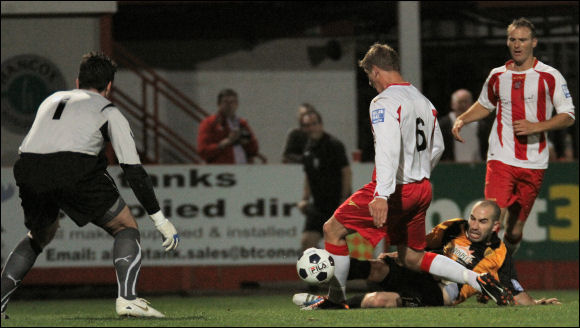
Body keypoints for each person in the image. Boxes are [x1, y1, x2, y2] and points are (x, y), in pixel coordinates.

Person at [320, 43, 512, 310]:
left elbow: (387, 149)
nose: (371, 83)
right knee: (411, 257)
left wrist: (382, 195)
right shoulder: (423, 101)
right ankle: (479, 279)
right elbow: (439, 147)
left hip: (396, 189)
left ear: (376, 71)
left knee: (332, 229)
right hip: (421, 187)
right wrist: (419, 172)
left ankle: (335, 300)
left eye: (369, 77)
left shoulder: (384, 102)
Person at [0, 52, 179, 319]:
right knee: (125, 226)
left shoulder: (51, 100)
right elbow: (133, 171)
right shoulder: (108, 110)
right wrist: (160, 220)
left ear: (77, 81)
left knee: (38, 236)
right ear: (109, 86)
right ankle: (128, 299)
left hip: (28, 167)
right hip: (72, 167)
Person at [451, 17, 576, 255]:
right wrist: (463, 118)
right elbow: (485, 104)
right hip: (501, 156)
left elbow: (568, 116)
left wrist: (537, 126)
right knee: (492, 217)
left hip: (533, 162)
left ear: (534, 42)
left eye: (523, 40)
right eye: (513, 39)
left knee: (515, 229)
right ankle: (479, 276)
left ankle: (503, 263)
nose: (517, 45)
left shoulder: (550, 76)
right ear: (507, 42)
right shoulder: (498, 75)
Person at [294, 200, 559, 309]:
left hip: (440, 294)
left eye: (483, 222)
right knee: (377, 267)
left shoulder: (500, 255)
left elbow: (515, 291)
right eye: (473, 219)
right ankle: (325, 272)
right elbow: (421, 246)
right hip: (420, 272)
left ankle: (329, 306)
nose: (475, 225)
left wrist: (535, 306)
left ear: (496, 226)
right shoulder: (455, 228)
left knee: (383, 300)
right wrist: (398, 258)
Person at [296, 110, 352, 251]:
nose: (311, 128)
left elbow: (346, 172)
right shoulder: (308, 148)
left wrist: (344, 199)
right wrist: (305, 199)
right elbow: (309, 175)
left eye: (314, 124)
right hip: (318, 206)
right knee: (307, 242)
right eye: (307, 125)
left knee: (342, 246)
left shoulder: (334, 145)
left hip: (337, 204)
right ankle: (321, 271)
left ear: (321, 125)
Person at [197, 89, 259, 164]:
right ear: (219, 104)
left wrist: (247, 141)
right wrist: (226, 142)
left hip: (243, 168)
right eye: (225, 102)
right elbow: (203, 151)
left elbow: (254, 150)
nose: (229, 105)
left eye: (233, 102)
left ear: (237, 104)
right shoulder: (209, 123)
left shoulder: (242, 123)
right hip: (221, 169)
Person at [439, 89, 481, 162]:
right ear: (452, 104)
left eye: (466, 102)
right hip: (451, 169)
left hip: (476, 168)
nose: (463, 105)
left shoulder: (480, 125)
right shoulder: (443, 125)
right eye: (460, 102)